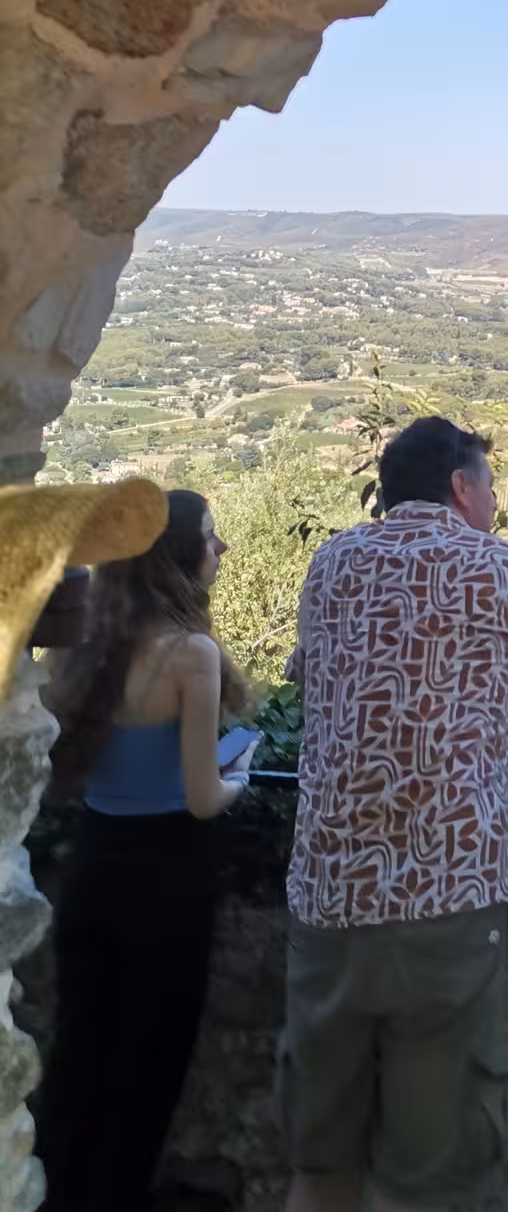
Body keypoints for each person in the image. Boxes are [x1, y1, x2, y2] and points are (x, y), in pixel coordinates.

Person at [281, 416, 508, 1212]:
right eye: (490, 488)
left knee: (320, 1169)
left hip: (328, 908)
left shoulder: (330, 565)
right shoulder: (505, 571)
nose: (495, 504)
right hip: (453, 912)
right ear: (462, 488)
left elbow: (313, 688)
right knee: (424, 1185)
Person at [34, 489, 254, 1212]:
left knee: (78, 1060)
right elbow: (198, 797)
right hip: (165, 884)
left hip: (93, 870)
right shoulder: (190, 653)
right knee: (145, 1072)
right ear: (177, 558)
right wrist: (241, 775)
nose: (220, 549)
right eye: (212, 538)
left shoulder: (96, 642)